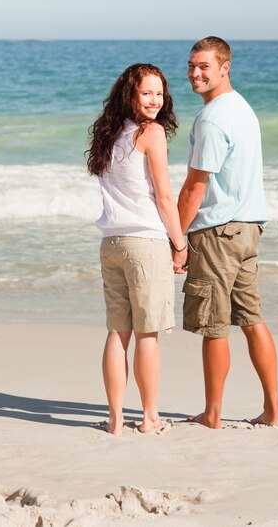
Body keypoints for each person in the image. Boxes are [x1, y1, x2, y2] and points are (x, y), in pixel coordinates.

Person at [177, 36, 278, 429]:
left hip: (218, 232)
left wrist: (175, 237)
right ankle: (273, 410)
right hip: (248, 229)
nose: (195, 74)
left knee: (214, 326)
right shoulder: (243, 109)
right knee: (252, 319)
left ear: (225, 68)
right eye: (190, 66)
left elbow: (195, 188)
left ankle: (212, 414)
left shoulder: (213, 117)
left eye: (203, 66)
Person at [87, 63, 187, 435]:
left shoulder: (107, 133)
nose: (155, 101)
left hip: (111, 243)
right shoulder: (151, 132)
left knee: (118, 333)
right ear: (130, 94)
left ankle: (115, 420)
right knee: (148, 335)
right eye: (147, 93)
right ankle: (149, 418)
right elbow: (163, 196)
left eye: (160, 93)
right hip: (145, 243)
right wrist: (180, 244)